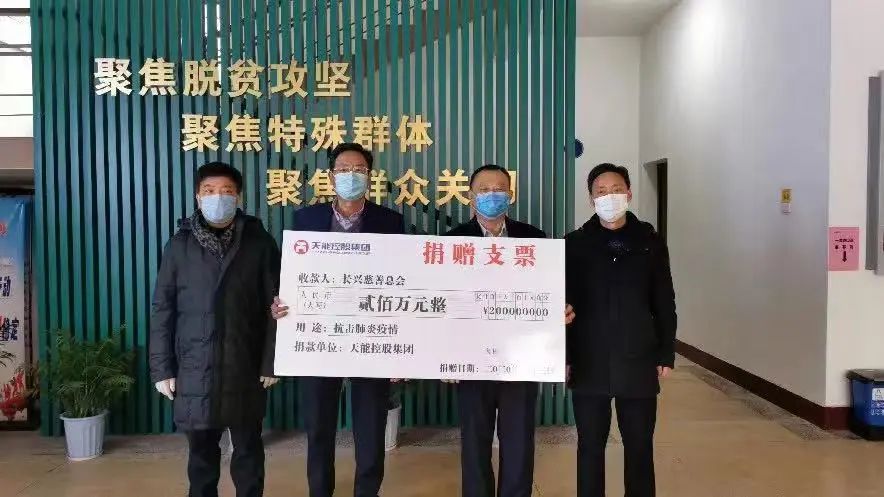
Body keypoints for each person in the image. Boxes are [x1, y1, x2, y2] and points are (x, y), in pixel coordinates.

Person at [268, 142, 404, 497]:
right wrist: (281, 302)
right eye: (344, 170)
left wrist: (400, 348)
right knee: (318, 428)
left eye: (359, 170)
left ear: (370, 177)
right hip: (319, 338)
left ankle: (367, 492)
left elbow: (404, 280)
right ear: (331, 177)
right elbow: (292, 274)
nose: (351, 176)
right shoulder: (306, 219)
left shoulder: (390, 221)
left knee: (370, 429)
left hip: (371, 338)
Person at [149, 161, 281, 497]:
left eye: (226, 191)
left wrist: (272, 361)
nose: (217, 197)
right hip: (195, 368)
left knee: (248, 454)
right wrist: (162, 368)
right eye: (209, 191)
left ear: (239, 197)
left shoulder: (260, 243)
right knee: (201, 459)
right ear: (197, 197)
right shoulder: (178, 246)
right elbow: (163, 309)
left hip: (244, 365)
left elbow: (278, 307)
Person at [444, 164, 575, 497]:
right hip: (472, 361)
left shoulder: (535, 239)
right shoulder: (451, 241)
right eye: (484, 190)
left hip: (522, 358)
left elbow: (550, 291)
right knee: (474, 441)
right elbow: (442, 303)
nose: (493, 195)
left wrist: (558, 312)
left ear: (511, 195)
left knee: (519, 441)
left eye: (499, 189)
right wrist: (444, 356)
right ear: (471, 197)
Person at [565, 163, 677, 497]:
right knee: (589, 446)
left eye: (616, 190)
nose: (609, 197)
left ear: (628, 193)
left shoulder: (650, 242)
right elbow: (562, 305)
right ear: (591, 199)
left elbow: (664, 300)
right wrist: (564, 355)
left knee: (639, 446)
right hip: (589, 359)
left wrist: (666, 352)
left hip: (638, 356)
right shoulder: (574, 244)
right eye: (601, 192)